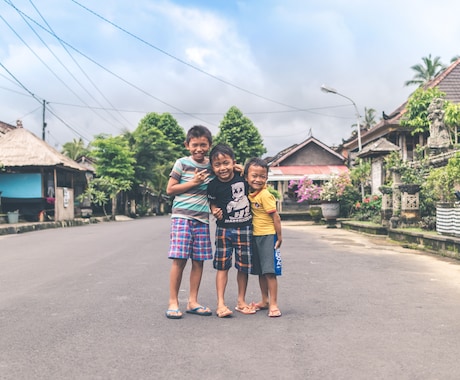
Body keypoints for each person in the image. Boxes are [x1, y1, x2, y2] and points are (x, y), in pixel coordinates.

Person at [165, 125, 214, 319]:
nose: (199, 149)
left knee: (199, 261)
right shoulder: (182, 163)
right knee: (179, 260)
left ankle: (193, 301)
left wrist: (236, 167)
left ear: (209, 145)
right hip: (182, 218)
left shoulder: (212, 166)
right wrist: (193, 183)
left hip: (202, 219)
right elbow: (170, 189)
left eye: (203, 145)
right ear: (187, 145)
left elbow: (223, 176)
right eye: (195, 145)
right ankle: (173, 302)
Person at [207, 143, 255, 318]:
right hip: (223, 230)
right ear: (212, 167)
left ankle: (241, 301)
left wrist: (245, 171)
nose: (222, 168)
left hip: (245, 228)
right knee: (222, 266)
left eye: (226, 163)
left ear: (233, 162)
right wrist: (213, 209)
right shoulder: (213, 186)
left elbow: (258, 183)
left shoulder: (243, 178)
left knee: (243, 267)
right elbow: (212, 202)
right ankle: (220, 303)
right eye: (217, 165)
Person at [244, 157, 282, 317]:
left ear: (266, 178)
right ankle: (264, 300)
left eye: (262, 176)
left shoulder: (265, 195)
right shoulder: (251, 193)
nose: (258, 179)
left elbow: (276, 217)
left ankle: (273, 304)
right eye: (254, 176)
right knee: (260, 271)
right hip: (255, 236)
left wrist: (279, 237)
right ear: (246, 177)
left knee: (269, 272)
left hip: (267, 236)